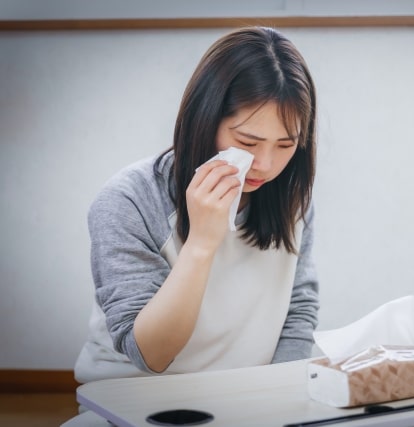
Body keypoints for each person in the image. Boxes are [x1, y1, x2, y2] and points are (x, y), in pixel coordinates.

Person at [74, 26, 320, 383]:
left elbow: (298, 311)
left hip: (246, 399)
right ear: (204, 120)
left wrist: (276, 397)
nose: (266, 165)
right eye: (248, 141)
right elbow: (150, 354)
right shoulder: (129, 199)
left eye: (285, 145)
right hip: (134, 398)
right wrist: (202, 243)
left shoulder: (289, 196)